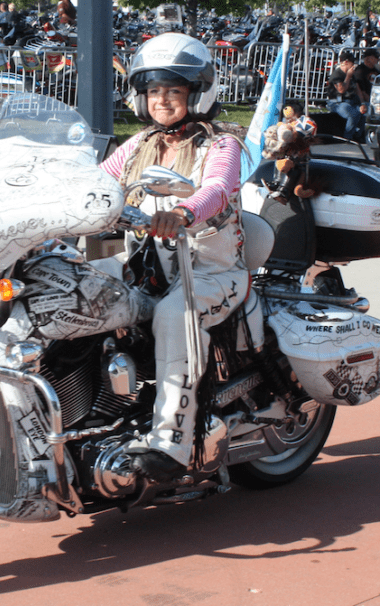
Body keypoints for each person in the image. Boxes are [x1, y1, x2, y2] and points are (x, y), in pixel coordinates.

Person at [99, 33, 249, 482]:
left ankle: (172, 444)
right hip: (148, 268)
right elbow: (97, 180)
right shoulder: (139, 144)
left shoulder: (221, 144)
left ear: (197, 94)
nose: (162, 100)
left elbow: (217, 189)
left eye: (174, 90)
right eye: (154, 90)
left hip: (212, 272)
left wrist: (184, 213)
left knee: (172, 316)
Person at [326, 49, 367, 142]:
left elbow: (358, 90)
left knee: (364, 113)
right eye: (352, 63)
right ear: (346, 62)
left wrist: (362, 103)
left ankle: (358, 136)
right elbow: (341, 90)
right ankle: (346, 138)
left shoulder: (352, 75)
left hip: (351, 101)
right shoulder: (337, 74)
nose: (353, 66)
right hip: (337, 103)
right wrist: (348, 76)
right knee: (353, 114)